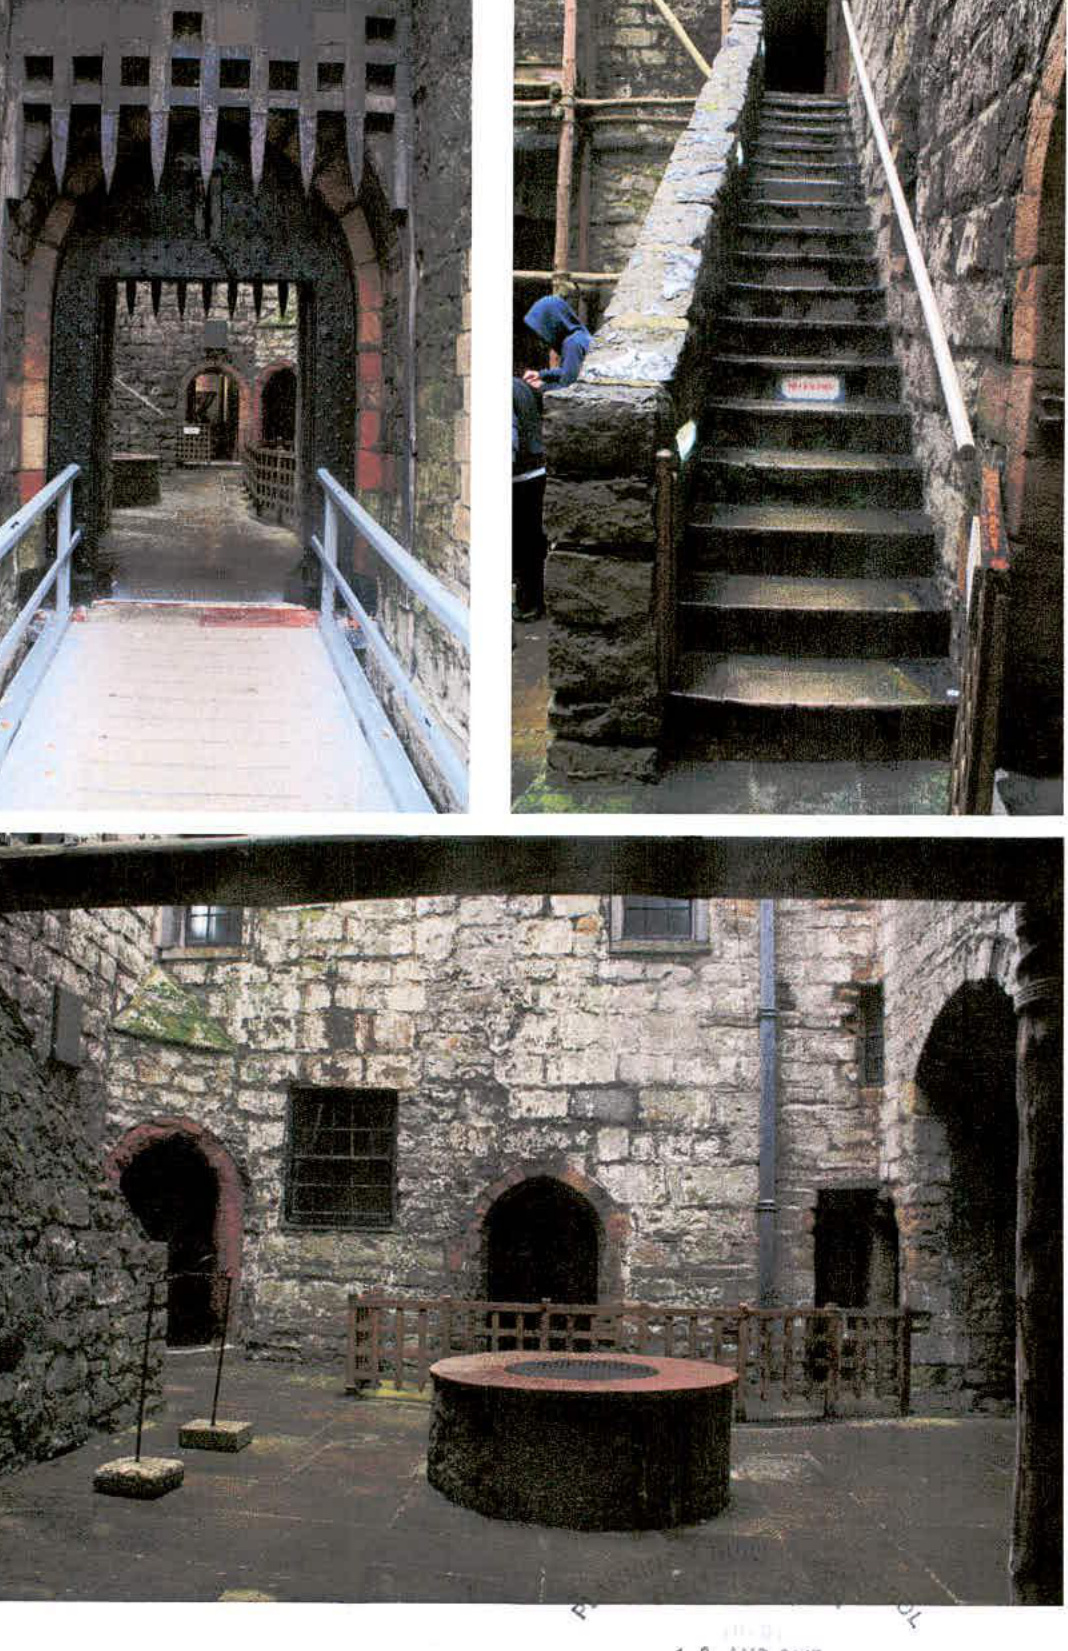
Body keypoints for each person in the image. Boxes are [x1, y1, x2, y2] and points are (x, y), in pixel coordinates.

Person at [512, 376, 547, 621]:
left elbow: (511, 441)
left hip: (521, 478)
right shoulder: (521, 386)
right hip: (537, 472)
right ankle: (533, 601)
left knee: (523, 547)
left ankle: (528, 605)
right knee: (533, 545)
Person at [522, 295, 591, 392]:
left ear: (552, 323)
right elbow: (570, 371)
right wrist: (542, 374)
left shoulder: (572, 345)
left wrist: (542, 386)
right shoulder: (580, 336)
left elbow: (568, 389)